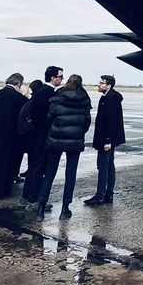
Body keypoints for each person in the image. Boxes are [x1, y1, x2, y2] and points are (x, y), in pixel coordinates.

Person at [36, 74, 90, 220]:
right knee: (70, 174)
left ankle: (40, 209)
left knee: (49, 174)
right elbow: (86, 122)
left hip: (56, 139)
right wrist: (78, 132)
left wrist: (55, 131)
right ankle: (65, 209)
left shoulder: (58, 96)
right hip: (75, 141)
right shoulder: (84, 98)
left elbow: (49, 118)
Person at [22, 65, 63, 202]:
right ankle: (34, 198)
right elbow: (42, 117)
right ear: (52, 78)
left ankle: (26, 196)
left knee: (33, 166)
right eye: (60, 77)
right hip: (41, 136)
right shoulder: (48, 93)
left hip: (35, 136)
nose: (61, 79)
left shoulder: (41, 91)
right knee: (38, 167)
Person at [85, 74, 125, 206]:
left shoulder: (110, 99)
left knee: (103, 166)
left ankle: (100, 196)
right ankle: (109, 194)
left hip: (106, 139)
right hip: (109, 139)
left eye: (102, 83)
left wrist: (107, 140)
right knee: (109, 165)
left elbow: (111, 121)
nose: (98, 84)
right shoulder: (109, 97)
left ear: (109, 85)